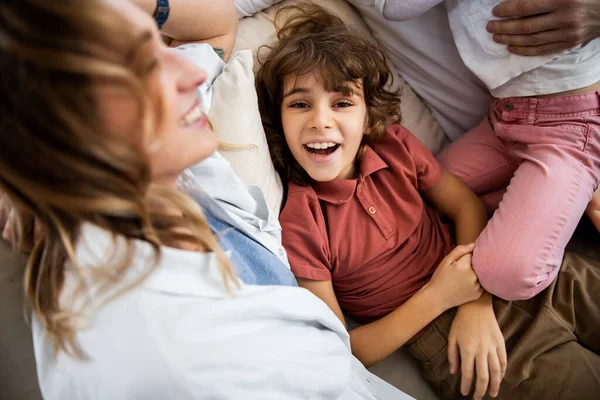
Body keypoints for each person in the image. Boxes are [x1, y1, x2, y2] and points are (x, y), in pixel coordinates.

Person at [0, 0, 417, 399]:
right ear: (64, 128)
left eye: (157, 41)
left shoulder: (161, 164)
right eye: (145, 65)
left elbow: (215, 25)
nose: (193, 74)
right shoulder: (169, 356)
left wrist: (129, 7)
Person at [255, 5, 600, 400]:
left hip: (521, 277)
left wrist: (475, 301)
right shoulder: (301, 222)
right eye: (300, 104)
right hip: (457, 344)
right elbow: (343, 353)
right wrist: (441, 297)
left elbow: (465, 207)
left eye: (342, 103)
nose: (320, 120)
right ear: (277, 121)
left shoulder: (393, 144)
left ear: (368, 116)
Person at [377, 0, 600, 297]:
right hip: (506, 119)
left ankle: (577, 184)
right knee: (419, 197)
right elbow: (393, 7)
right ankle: (569, 193)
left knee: (503, 274)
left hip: (572, 123)